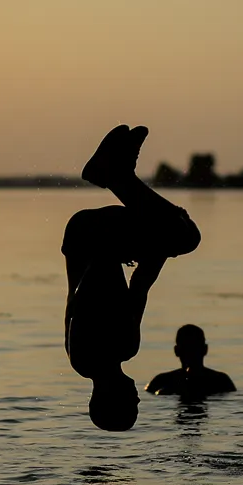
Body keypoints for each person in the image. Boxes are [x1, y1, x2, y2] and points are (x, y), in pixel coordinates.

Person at [64, 125, 201, 431]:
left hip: (95, 239)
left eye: (131, 405)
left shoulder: (116, 348)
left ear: (113, 398)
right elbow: (139, 284)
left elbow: (106, 288)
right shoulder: (82, 361)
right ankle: (117, 174)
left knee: (186, 236)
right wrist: (160, 247)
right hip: (82, 237)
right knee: (178, 234)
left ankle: (114, 175)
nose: (139, 400)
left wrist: (162, 239)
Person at [145, 324, 236, 397]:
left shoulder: (163, 381)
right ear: (205, 350)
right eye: (187, 349)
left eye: (194, 348)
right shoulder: (220, 381)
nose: (191, 353)